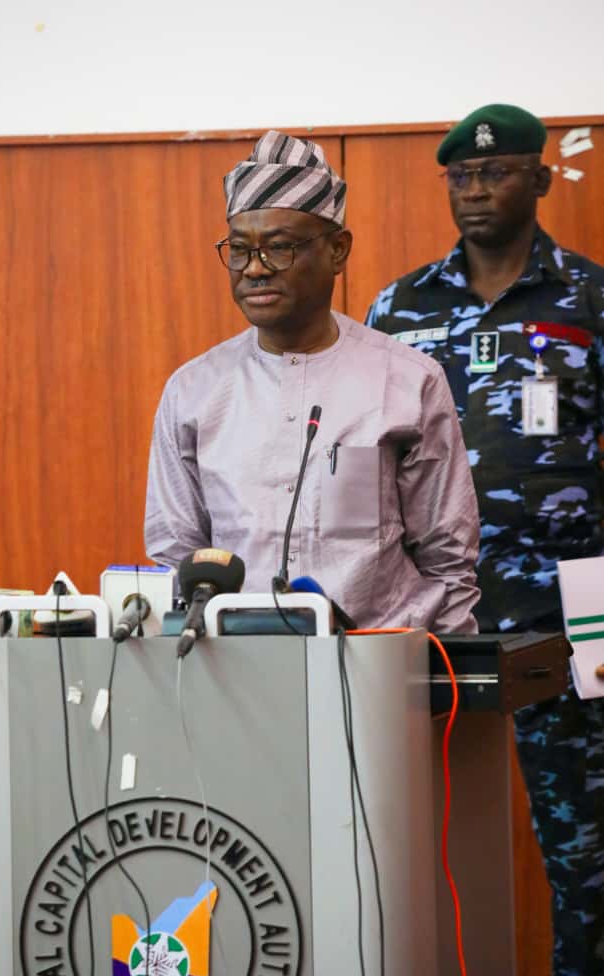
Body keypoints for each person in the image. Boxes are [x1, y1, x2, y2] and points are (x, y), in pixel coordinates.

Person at [366, 103, 604, 976]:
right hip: (434, 612)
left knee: (581, 845)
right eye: (461, 176)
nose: (476, 189)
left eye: (497, 172)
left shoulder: (588, 300)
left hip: (567, 614)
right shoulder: (399, 306)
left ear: (541, 180)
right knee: (407, 829)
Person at [144, 129, 480, 632]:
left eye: (279, 248)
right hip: (236, 668)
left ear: (338, 251)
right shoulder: (193, 392)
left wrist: (452, 687)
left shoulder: (408, 383)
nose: (254, 269)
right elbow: (175, 558)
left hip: (375, 669)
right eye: (239, 249)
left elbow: (448, 560)